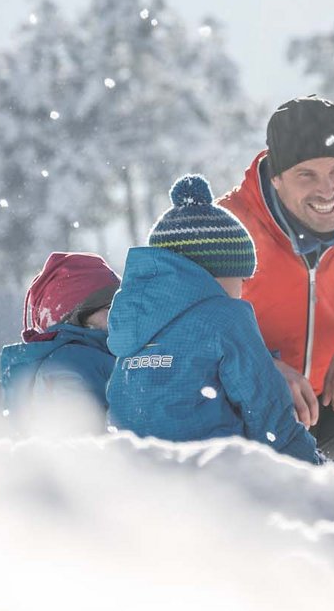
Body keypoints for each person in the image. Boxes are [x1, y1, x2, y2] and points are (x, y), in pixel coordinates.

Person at [218, 97, 334, 461]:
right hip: (261, 414)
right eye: (306, 175)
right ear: (276, 177)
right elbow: (186, 329)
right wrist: (259, 366)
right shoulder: (227, 227)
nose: (327, 190)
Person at [105, 175, 320, 464]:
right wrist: (310, 463)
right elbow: (267, 410)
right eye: (241, 277)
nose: (243, 287)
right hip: (211, 471)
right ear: (216, 273)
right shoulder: (226, 316)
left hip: (135, 469)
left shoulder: (131, 322)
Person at [0, 252, 121, 429]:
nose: (119, 314)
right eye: (110, 307)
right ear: (78, 316)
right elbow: (82, 434)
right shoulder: (69, 364)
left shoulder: (99, 353)